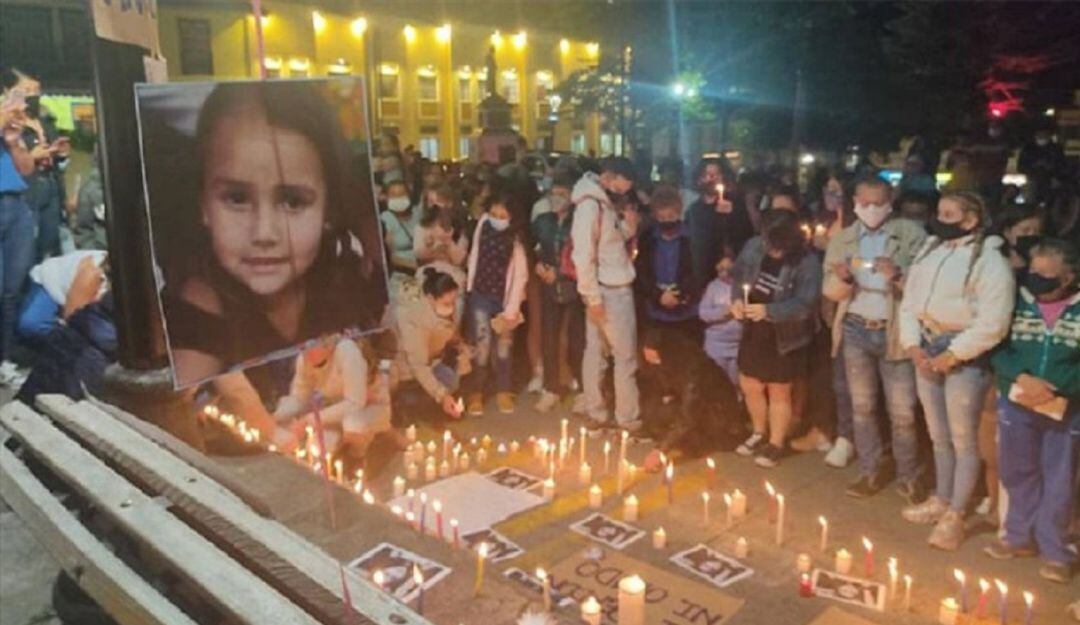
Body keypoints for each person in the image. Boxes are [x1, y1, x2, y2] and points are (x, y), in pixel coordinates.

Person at [155, 82, 387, 387]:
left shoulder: (350, 283)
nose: (264, 232)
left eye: (293, 202)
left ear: (328, 211)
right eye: (236, 198)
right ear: (203, 206)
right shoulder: (199, 307)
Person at [899, 191, 1015, 550]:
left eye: (950, 215)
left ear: (971, 219)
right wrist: (912, 345)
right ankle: (941, 497)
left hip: (964, 354)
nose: (940, 220)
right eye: (940, 213)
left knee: (964, 439)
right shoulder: (931, 249)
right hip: (927, 345)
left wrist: (955, 354)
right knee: (938, 434)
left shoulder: (990, 261)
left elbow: (993, 322)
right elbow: (910, 301)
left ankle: (956, 513)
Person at [822, 177, 928, 501]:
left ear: (890, 201)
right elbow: (828, 289)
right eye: (865, 203)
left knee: (903, 412)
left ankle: (908, 475)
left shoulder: (911, 235)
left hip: (894, 331)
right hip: (856, 327)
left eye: (878, 202)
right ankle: (869, 471)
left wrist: (897, 275)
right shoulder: (844, 239)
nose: (871, 209)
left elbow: (925, 288)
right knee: (863, 407)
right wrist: (840, 280)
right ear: (854, 201)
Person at [985, 238, 1079, 583]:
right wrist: (1022, 376)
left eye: (1046, 275)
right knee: (1017, 470)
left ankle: (1055, 548)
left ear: (1068, 277)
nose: (1036, 280)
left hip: (1065, 407)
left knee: (1059, 478)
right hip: (1018, 400)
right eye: (1033, 271)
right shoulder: (1017, 302)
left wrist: (1059, 386)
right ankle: (1017, 536)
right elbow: (997, 346)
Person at [730, 211, 822, 468]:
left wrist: (770, 311)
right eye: (769, 245)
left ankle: (776, 442)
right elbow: (739, 277)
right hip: (754, 328)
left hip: (785, 334)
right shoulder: (754, 246)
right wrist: (737, 300)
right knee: (750, 383)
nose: (772, 252)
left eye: (778, 248)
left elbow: (806, 304)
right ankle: (758, 432)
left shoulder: (807, 263)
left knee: (779, 389)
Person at [572, 157, 642, 433]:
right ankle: (626, 417)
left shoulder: (601, 202)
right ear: (612, 176)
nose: (627, 189)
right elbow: (583, 255)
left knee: (597, 353)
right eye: (627, 182)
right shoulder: (591, 205)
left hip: (605, 287)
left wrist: (629, 227)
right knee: (622, 356)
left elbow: (609, 241)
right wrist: (593, 298)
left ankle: (597, 412)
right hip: (609, 290)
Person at [639, 326, 747, 472]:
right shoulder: (668, 362)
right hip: (694, 407)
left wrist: (660, 450)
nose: (653, 362)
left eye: (655, 358)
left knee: (677, 425)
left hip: (719, 416)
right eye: (649, 358)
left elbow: (689, 414)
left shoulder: (695, 368)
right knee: (656, 412)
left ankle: (700, 442)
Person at [274, 335, 397, 459]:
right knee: (316, 447)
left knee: (353, 425)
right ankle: (340, 458)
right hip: (333, 411)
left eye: (313, 344)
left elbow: (355, 402)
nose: (306, 351)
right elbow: (299, 398)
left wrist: (309, 420)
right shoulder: (303, 359)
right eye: (303, 346)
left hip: (368, 406)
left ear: (329, 344)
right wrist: (275, 417)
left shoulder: (348, 352)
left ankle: (361, 455)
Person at [463, 190, 529, 415]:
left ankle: (503, 390)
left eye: (502, 215)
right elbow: (474, 254)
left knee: (503, 347)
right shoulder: (483, 224)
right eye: (493, 213)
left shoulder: (516, 238)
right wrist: (470, 288)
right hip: (481, 294)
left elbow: (520, 275)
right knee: (481, 346)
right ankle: (476, 392)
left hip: (503, 299)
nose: (496, 218)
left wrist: (511, 309)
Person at [1, 70, 44, 385]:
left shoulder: (12, 126)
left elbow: (27, 169)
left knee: (13, 290)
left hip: (16, 207)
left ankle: (5, 359)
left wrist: (14, 141)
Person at [532, 172, 584, 413]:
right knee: (549, 339)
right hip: (549, 287)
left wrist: (562, 275)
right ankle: (551, 388)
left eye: (562, 195)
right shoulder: (543, 220)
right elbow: (534, 246)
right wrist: (539, 265)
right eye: (553, 194)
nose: (556, 199)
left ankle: (584, 389)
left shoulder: (580, 222)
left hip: (575, 288)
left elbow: (582, 256)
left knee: (577, 341)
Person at [393, 270, 468, 423]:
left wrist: (463, 349)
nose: (452, 307)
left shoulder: (443, 311)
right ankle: (404, 403)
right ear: (430, 298)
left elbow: (449, 333)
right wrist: (442, 395)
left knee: (451, 379)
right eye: (447, 303)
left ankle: (424, 402)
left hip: (431, 362)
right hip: (407, 371)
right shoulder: (414, 320)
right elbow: (418, 365)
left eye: (454, 302)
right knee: (443, 385)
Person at [635, 185, 702, 342]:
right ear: (655, 216)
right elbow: (642, 272)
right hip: (655, 309)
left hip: (687, 309)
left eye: (670, 216)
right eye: (662, 218)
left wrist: (680, 294)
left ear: (679, 213)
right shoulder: (647, 239)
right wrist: (659, 295)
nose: (666, 221)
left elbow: (698, 271)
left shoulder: (692, 239)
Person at [685, 157, 755, 290]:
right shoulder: (694, 210)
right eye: (707, 175)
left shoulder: (735, 204)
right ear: (699, 179)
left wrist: (731, 217)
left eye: (717, 174)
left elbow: (747, 236)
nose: (712, 179)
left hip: (730, 273)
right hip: (703, 274)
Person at [16, 250, 107, 342]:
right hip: (51, 285)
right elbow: (72, 316)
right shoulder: (92, 272)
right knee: (30, 325)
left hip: (84, 304)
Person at [699, 255, 743, 386]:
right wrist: (725, 311)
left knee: (737, 382)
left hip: (738, 346)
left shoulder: (742, 287)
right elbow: (703, 314)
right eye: (720, 269)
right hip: (716, 346)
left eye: (728, 270)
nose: (724, 273)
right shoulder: (713, 287)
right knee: (717, 382)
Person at [414, 183, 469, 280]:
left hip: (453, 277)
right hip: (427, 276)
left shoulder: (459, 228)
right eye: (431, 202)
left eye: (439, 201)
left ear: (449, 202)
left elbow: (459, 261)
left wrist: (448, 242)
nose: (435, 206)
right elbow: (419, 257)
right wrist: (428, 246)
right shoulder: (421, 227)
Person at [1018, 124, 1068, 207]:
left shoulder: (1056, 149)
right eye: (1039, 134)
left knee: (1050, 204)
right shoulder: (1028, 149)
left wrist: (1056, 177)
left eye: (1044, 134)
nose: (1042, 136)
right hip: (1033, 181)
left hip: (1050, 181)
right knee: (1032, 204)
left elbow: (1062, 165)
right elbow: (1021, 166)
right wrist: (1034, 169)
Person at [381, 178, 420, 278]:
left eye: (402, 194)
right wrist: (415, 266)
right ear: (386, 198)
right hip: (402, 272)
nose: (398, 198)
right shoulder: (385, 219)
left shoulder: (418, 213)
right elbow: (390, 256)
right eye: (394, 195)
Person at [994, 204, 1043, 274]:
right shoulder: (994, 258)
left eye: (1037, 231)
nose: (1031, 235)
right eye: (1025, 230)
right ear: (1007, 232)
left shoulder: (1040, 266)